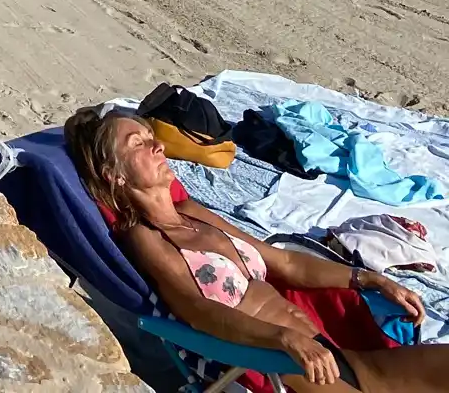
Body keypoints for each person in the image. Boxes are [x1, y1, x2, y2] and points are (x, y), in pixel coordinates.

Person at [64, 106, 445, 391]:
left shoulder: (192, 212)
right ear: (113, 175)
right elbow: (198, 310)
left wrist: (370, 280)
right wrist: (282, 339)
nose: (159, 145)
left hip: (332, 352)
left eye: (152, 138)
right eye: (141, 144)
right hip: (283, 366)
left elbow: (283, 262)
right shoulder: (144, 236)